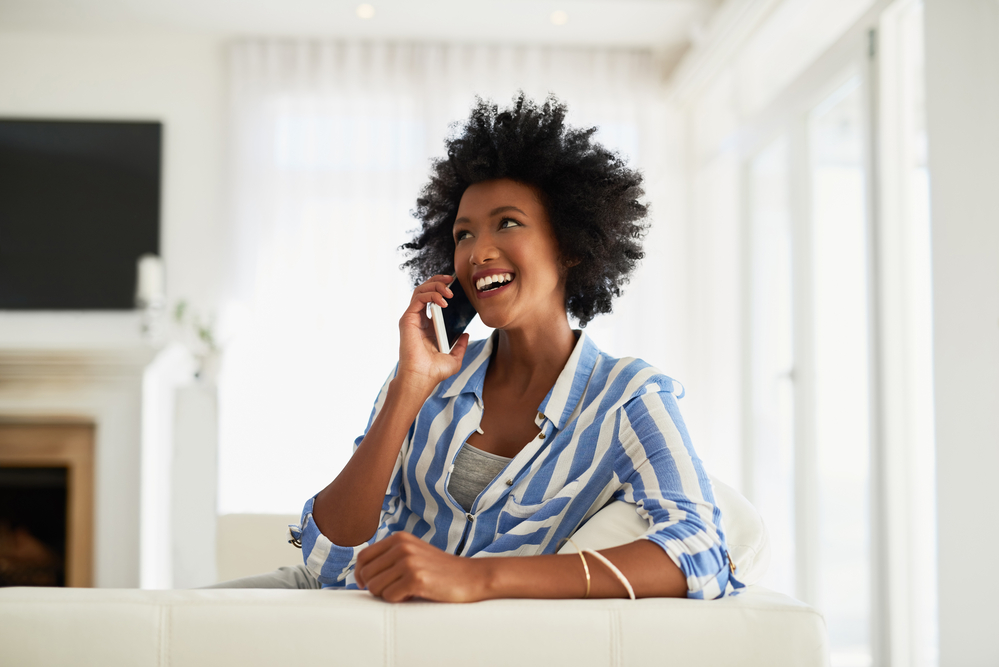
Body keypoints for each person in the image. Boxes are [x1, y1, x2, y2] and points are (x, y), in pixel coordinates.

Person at [218, 94, 740, 600]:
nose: (477, 252)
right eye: (463, 234)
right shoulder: (428, 378)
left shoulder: (628, 398)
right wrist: (410, 387)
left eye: (507, 223)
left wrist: (479, 578)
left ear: (572, 246)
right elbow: (324, 560)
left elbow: (701, 550)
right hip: (341, 607)